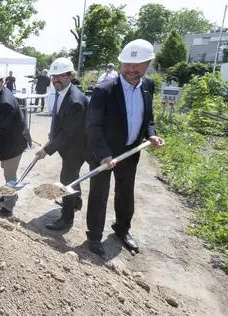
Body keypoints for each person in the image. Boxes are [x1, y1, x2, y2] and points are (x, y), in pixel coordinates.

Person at [85, 39, 166, 256]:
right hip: (104, 154)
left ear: (148, 63)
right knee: (99, 195)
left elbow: (148, 117)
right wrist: (103, 154)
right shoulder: (104, 91)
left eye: (137, 64)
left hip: (130, 152)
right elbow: (92, 126)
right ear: (120, 64)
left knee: (125, 193)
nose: (131, 69)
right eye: (127, 65)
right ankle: (94, 236)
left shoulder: (148, 86)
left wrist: (152, 134)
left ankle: (122, 229)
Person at [34, 58, 89, 231]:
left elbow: (68, 133)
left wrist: (46, 150)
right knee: (73, 176)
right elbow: (59, 119)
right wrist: (53, 134)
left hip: (77, 147)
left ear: (70, 76)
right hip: (69, 144)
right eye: (53, 76)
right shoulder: (62, 92)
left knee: (66, 180)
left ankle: (66, 219)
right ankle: (77, 201)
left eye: (59, 76)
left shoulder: (75, 101)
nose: (55, 80)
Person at [0, 65, 30, 217]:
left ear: (2, 81)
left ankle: (8, 208)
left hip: (13, 144)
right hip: (7, 142)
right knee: (6, 170)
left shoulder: (5, 102)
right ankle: (9, 194)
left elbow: (3, 131)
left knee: (10, 175)